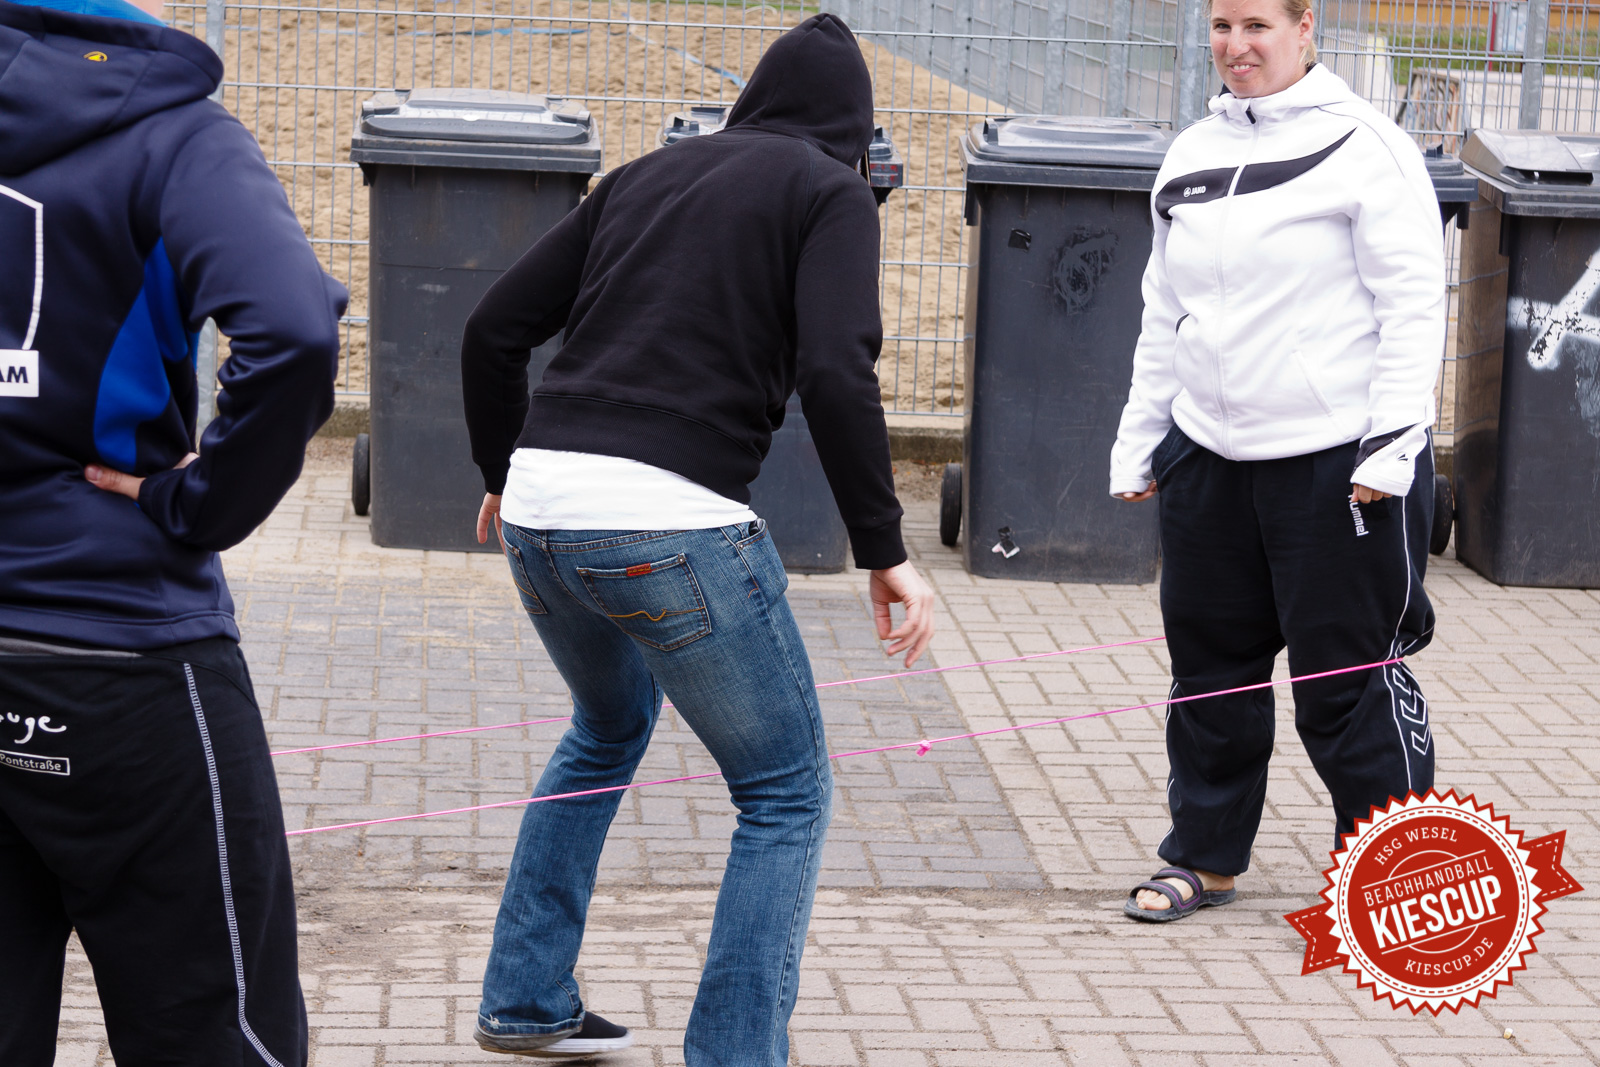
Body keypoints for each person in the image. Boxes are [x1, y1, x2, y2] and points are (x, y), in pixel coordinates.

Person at [460, 13, 935, 1062]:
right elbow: (835, 371)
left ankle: (525, 997)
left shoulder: (645, 175)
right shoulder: (831, 192)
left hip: (544, 510)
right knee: (783, 790)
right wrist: (884, 549)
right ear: (855, 133)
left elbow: (492, 328)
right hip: (669, 522)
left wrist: (503, 475)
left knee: (603, 727)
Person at [0, 0, 347, 1059]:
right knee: (214, 1031)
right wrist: (201, 507)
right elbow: (288, 328)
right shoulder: (171, 127)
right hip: (118, 653)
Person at [1109, 0, 1444, 922]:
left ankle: (1397, 875)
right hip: (1209, 461)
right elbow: (1161, 312)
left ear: (1307, 31)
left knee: (1345, 686)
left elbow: (1413, 304)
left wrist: (1391, 443)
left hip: (1338, 466)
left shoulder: (1366, 146)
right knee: (1210, 673)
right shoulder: (1191, 152)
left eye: (1257, 25)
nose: (1235, 46)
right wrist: (1143, 437)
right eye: (1221, 26)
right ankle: (1204, 858)